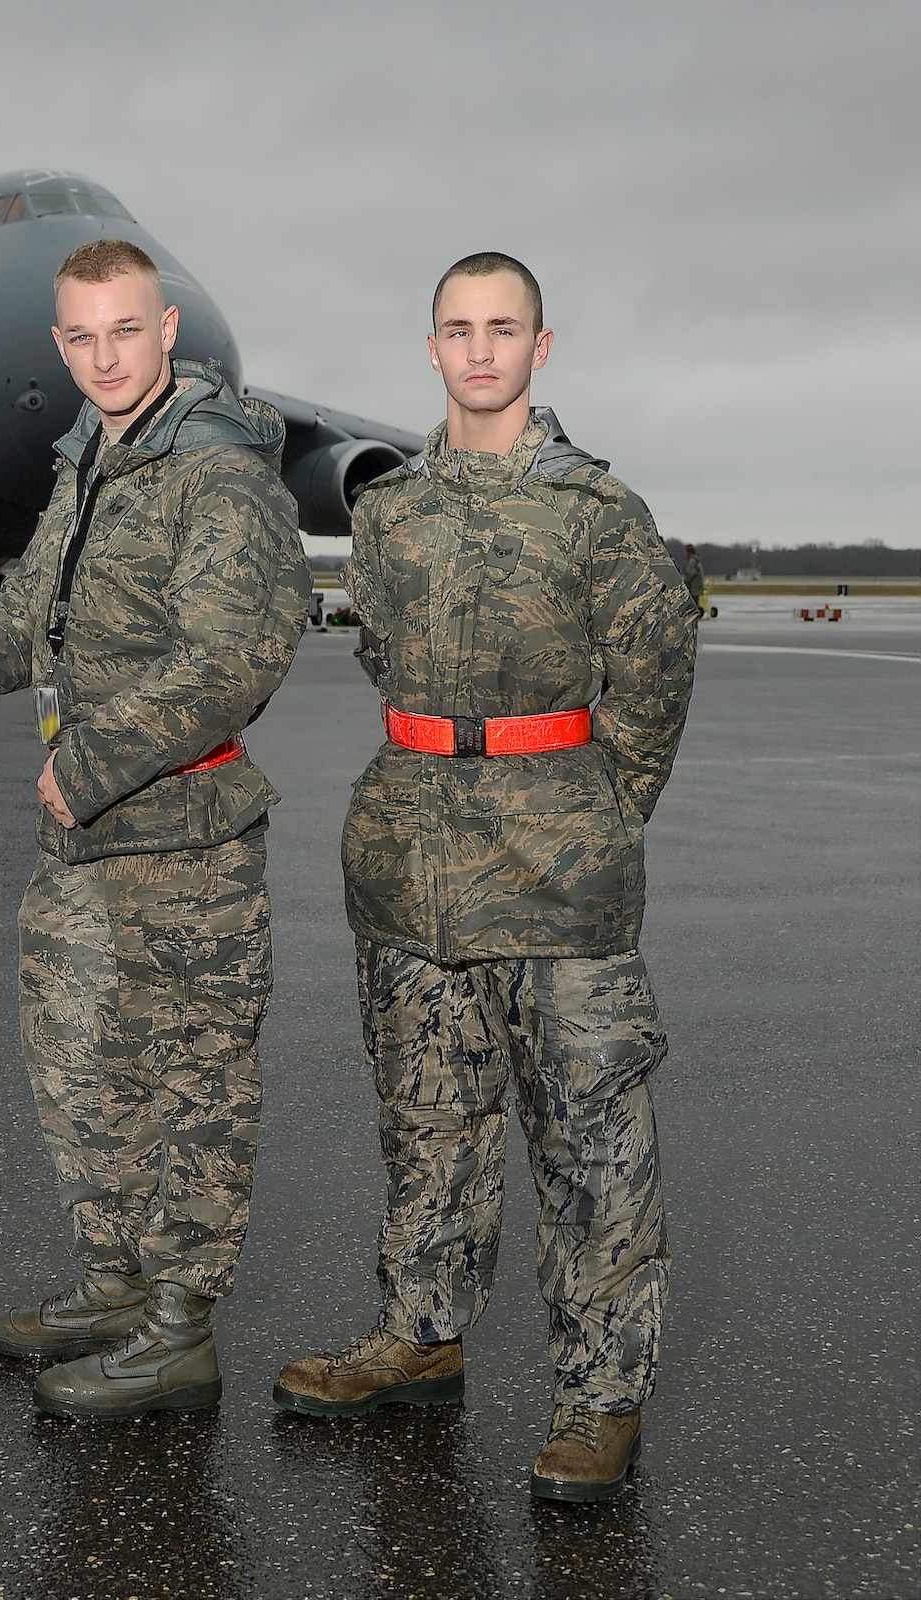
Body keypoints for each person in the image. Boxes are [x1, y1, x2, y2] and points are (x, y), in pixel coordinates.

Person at [272, 253, 699, 1504]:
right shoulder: (388, 510)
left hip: (557, 865)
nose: (477, 351)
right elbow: (385, 661)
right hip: (410, 858)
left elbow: (652, 682)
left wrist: (593, 813)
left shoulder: (593, 511)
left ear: (538, 347)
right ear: (431, 347)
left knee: (589, 1139)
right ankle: (417, 1334)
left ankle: (599, 1396)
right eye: (455, 330)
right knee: (425, 1118)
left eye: (499, 329)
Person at [0, 239, 310, 1419]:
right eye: (81, 338)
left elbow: (234, 657)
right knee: (80, 1069)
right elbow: (28, 618)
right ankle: (113, 1285)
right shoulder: (96, 456)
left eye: (126, 332)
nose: (104, 357)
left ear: (167, 332)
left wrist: (94, 761)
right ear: (59, 346)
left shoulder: (215, 470)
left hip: (181, 836)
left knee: (192, 1087)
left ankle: (177, 1329)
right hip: (82, 840)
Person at [683, 543, 707, 609]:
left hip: (694, 587)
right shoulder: (697, 561)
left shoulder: (692, 562)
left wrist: (684, 584)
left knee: (693, 605)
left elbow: (689, 575)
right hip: (698, 586)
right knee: (696, 602)